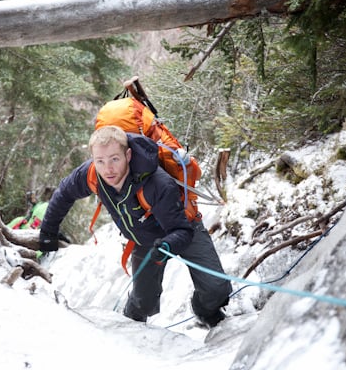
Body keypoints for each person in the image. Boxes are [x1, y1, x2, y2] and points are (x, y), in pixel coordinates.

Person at [39, 125, 232, 328]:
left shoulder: (158, 183)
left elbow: (181, 230)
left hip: (183, 226)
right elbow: (64, 194)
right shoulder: (91, 174)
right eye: (100, 161)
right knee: (143, 304)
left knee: (216, 289)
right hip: (145, 238)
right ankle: (128, 331)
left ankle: (205, 310)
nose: (108, 169)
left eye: (115, 159)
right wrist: (47, 234)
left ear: (128, 155)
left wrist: (167, 245)